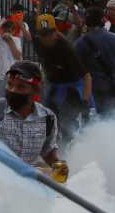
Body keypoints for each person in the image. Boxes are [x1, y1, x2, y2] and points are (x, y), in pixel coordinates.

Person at [0, 60, 61, 169]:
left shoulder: (47, 118)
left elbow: (48, 151)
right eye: (9, 84)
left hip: (21, 184)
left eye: (21, 87)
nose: (13, 90)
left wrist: (58, 165)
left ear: (36, 90)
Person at [33, 14, 91, 144]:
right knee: (46, 121)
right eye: (43, 35)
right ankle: (48, 148)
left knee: (67, 125)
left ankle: (69, 151)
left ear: (56, 32)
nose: (46, 38)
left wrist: (85, 103)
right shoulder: (37, 42)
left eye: (49, 34)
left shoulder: (67, 49)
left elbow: (87, 77)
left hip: (72, 88)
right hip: (52, 85)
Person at [74, 6, 115, 117]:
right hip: (113, 89)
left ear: (86, 22)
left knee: (93, 127)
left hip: (90, 92)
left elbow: (76, 71)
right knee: (111, 123)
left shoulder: (79, 44)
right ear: (103, 20)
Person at [0, 20, 23, 99]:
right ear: (2, 30)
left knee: (7, 100)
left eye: (10, 30)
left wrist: (10, 42)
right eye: (5, 30)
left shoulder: (16, 40)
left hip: (8, 76)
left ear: (13, 31)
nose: (7, 32)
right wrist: (2, 22)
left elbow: (18, 56)